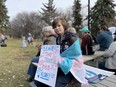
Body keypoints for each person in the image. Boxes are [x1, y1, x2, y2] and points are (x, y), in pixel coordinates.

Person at [34, 17, 85, 87]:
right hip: (60, 66)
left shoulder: (72, 38)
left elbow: (77, 58)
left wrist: (61, 61)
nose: (57, 28)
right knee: (39, 81)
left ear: (64, 25)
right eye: (54, 27)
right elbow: (59, 53)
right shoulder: (58, 38)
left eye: (59, 25)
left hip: (71, 69)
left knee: (56, 84)